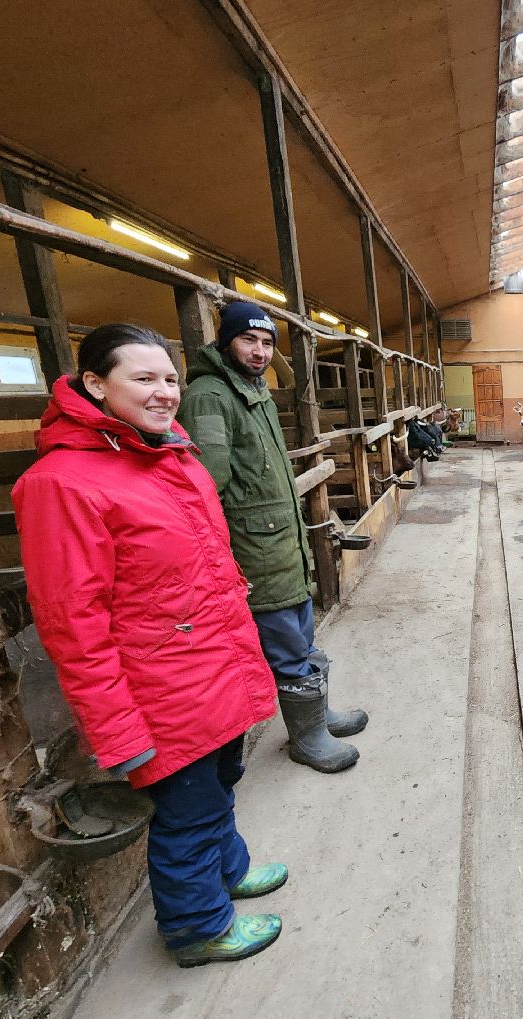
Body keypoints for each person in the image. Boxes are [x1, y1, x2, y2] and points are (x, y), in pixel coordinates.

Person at [13, 323, 286, 968]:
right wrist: (117, 729)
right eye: (143, 379)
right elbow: (73, 623)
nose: (164, 392)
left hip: (212, 665)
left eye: (169, 379)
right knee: (186, 811)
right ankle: (197, 929)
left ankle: (227, 870)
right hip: (160, 688)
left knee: (220, 781)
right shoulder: (62, 484)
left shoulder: (171, 458)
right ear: (94, 384)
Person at [177, 301, 367, 774]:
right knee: (285, 642)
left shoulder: (252, 389)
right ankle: (308, 738)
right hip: (254, 549)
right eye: (249, 340)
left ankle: (316, 717)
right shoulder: (209, 396)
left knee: (300, 635)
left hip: (283, 542)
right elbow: (206, 485)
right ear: (226, 341)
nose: (259, 351)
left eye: (266, 343)